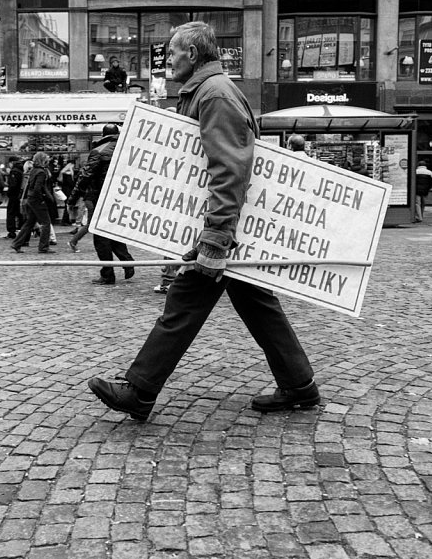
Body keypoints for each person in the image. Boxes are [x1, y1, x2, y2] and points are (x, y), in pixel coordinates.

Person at [88, 21, 319, 421]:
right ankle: (300, 386)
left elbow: (230, 168)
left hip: (219, 230)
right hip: (224, 225)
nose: (169, 60)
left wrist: (214, 238)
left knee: (184, 303)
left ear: (192, 54)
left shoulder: (213, 95)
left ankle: (140, 390)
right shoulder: (209, 92)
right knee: (257, 303)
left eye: (173, 52)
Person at [67, 124, 135, 284]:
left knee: (100, 237)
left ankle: (107, 274)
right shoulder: (127, 148)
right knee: (114, 231)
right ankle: (128, 262)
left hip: (101, 197)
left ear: (102, 135)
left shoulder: (99, 151)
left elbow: (85, 176)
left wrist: (72, 198)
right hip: (120, 196)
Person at [11, 152, 55, 254]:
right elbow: (38, 188)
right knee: (46, 223)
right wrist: (42, 199)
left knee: (29, 223)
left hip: (30, 199)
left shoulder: (33, 171)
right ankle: (43, 247)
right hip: (37, 200)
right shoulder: (41, 172)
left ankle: (16, 243)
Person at [4, 156, 24, 238]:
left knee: (11, 213)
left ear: (11, 162)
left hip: (14, 195)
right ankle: (22, 229)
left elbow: (13, 185)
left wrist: (9, 192)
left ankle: (11, 231)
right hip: (20, 195)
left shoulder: (14, 171)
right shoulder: (22, 170)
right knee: (20, 213)